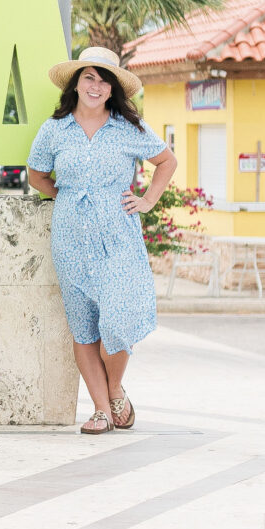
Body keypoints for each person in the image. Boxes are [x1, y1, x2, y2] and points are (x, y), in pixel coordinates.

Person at [25, 47, 177, 435]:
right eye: (89, 77)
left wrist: (147, 200)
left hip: (118, 236)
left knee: (116, 322)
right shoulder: (54, 130)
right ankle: (101, 411)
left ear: (113, 89)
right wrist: (64, 195)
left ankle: (114, 389)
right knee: (84, 328)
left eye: (104, 79)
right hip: (70, 238)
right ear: (76, 82)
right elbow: (36, 175)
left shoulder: (129, 129)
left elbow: (167, 161)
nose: (96, 85)